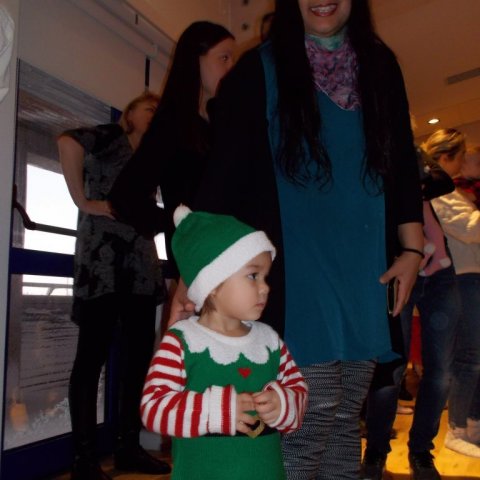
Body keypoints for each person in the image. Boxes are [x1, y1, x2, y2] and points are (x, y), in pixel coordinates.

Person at [169, 1, 424, 478]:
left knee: (346, 422)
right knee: (306, 423)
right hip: (297, 269)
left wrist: (412, 249)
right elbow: (224, 177)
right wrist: (192, 277)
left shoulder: (379, 64)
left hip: (365, 266)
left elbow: (401, 161)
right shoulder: (258, 69)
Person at [141, 206, 308, 479]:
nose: (265, 287)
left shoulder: (269, 340)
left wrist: (284, 404)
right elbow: (154, 409)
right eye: (253, 276)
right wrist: (214, 411)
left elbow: (299, 391)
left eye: (265, 277)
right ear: (214, 284)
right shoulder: (182, 341)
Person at [57, 91, 171, 480]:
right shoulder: (109, 137)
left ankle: (127, 448)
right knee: (90, 360)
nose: (155, 115)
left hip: (140, 270)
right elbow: (67, 142)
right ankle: (84, 459)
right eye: (149, 109)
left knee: (137, 361)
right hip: (102, 267)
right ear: (130, 115)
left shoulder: (153, 158)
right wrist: (82, 201)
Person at [361, 146, 460, 480]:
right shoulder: (368, 160)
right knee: (392, 367)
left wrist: (412, 181)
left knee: (441, 371)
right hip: (398, 266)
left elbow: (442, 181)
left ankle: (420, 452)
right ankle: (376, 451)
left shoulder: (409, 153)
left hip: (440, 274)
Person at [109, 21, 235, 277]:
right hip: (197, 261)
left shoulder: (221, 123)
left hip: (230, 254)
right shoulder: (172, 124)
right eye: (224, 58)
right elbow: (124, 197)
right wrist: (179, 224)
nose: (231, 67)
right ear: (196, 60)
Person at [427, 131, 480, 458]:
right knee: (469, 356)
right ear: (447, 157)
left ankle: (473, 423)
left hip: (470, 274)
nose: (463, 166)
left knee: (474, 356)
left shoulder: (453, 190)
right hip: (461, 277)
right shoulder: (441, 191)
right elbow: (471, 229)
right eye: (461, 158)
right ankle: (456, 429)